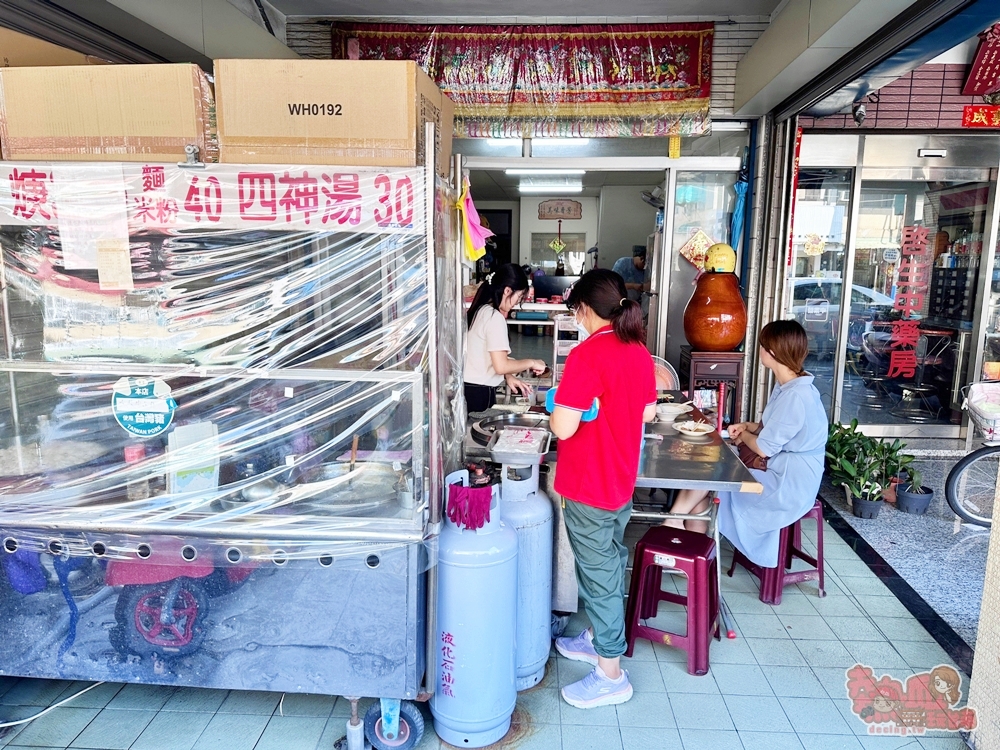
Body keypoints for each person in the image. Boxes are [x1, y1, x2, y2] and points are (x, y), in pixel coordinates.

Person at [547, 269, 656, 709]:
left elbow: (564, 427)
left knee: (598, 575)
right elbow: (647, 413)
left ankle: (611, 673)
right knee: (608, 562)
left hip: (589, 482)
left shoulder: (587, 355)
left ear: (585, 309)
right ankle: (597, 637)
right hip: (620, 479)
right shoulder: (638, 350)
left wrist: (563, 405)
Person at [664, 320, 827, 568]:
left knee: (712, 473)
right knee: (703, 495)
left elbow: (763, 448)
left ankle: (674, 521)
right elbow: (775, 430)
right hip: (780, 470)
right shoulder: (790, 386)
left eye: (762, 346)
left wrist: (744, 437)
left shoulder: (795, 395)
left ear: (772, 352)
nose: (760, 350)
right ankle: (690, 557)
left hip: (787, 483)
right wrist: (749, 427)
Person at [464, 263, 546, 413]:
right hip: (480, 393)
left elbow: (486, 358)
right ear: (508, 290)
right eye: (519, 296)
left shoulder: (480, 311)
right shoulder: (494, 317)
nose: (516, 303)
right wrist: (533, 362)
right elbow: (501, 365)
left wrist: (508, 375)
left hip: (467, 389)